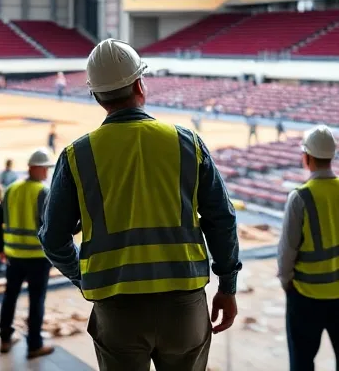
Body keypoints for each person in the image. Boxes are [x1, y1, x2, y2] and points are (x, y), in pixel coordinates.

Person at [40, 39, 240, 371]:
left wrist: (84, 277)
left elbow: (53, 238)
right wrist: (228, 287)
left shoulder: (78, 156)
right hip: (184, 304)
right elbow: (222, 219)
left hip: (116, 310)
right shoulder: (187, 143)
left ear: (97, 96)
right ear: (139, 84)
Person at [278, 126, 339, 371]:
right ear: (332, 156)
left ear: (306, 158)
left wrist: (286, 280)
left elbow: (287, 249)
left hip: (308, 292)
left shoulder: (300, 197)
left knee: (302, 359)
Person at [0, 148, 58, 359]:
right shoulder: (43, 192)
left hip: (13, 257)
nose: (47, 173)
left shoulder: (11, 189)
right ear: (34, 168)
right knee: (36, 301)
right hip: (38, 259)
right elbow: (51, 227)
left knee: (9, 297)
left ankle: (5, 339)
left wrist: (0, 249)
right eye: (44, 169)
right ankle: (34, 345)